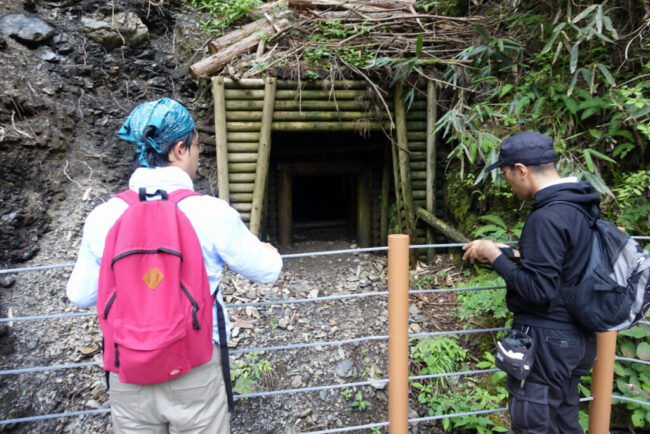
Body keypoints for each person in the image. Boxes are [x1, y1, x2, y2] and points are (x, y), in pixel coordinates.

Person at [66, 97, 282, 433]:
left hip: (128, 371)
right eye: (196, 145)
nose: (197, 154)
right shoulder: (210, 212)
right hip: (193, 369)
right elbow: (268, 270)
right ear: (180, 149)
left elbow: (80, 295)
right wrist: (269, 249)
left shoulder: (103, 217)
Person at [462, 131, 598, 434]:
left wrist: (494, 257)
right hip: (578, 340)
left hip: (547, 341)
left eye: (507, 173)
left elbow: (539, 290)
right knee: (563, 425)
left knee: (533, 426)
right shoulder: (582, 205)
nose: (507, 182)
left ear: (521, 169)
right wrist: (506, 253)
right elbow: (564, 262)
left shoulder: (545, 217)